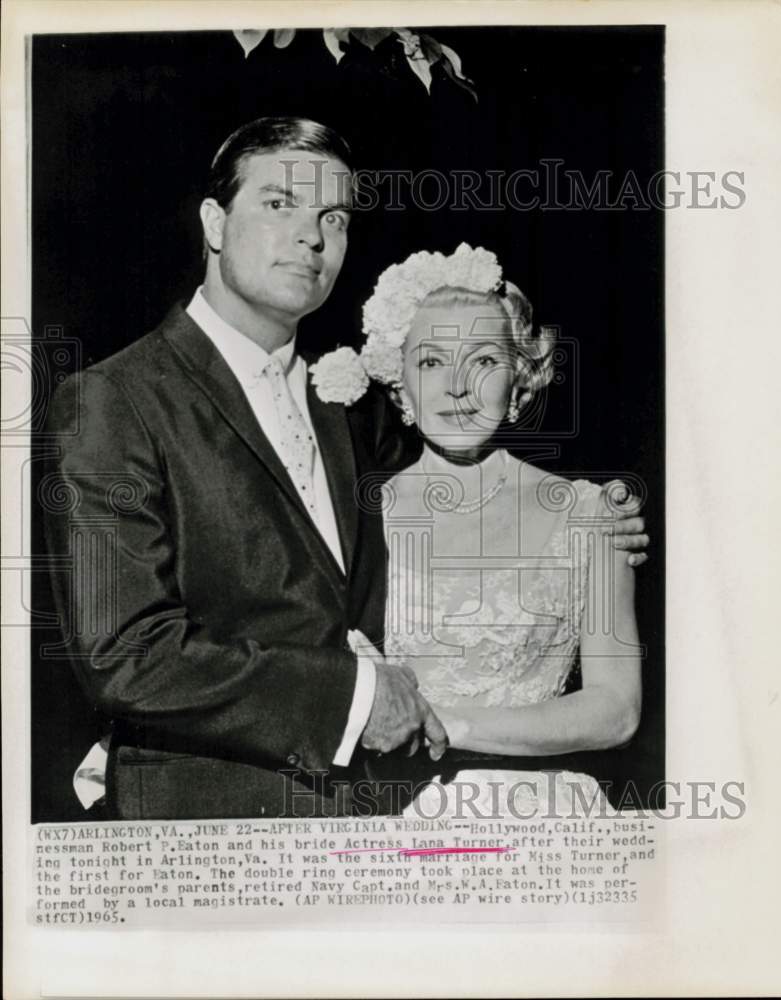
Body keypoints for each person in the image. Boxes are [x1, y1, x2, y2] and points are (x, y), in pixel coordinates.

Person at [43, 117, 649, 820]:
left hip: (371, 821)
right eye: (280, 204)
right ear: (214, 222)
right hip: (213, 821)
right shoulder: (115, 399)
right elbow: (125, 654)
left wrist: (601, 517)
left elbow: (466, 485)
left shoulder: (348, 411)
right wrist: (357, 702)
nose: (311, 234)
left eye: (333, 215)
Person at [314, 244, 642, 816]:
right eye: (432, 361)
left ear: (519, 379)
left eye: (484, 360)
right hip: (390, 820)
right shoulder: (355, 517)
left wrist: (447, 722)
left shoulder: (589, 513)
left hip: (545, 824)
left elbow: (616, 710)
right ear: (400, 387)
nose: (458, 387)